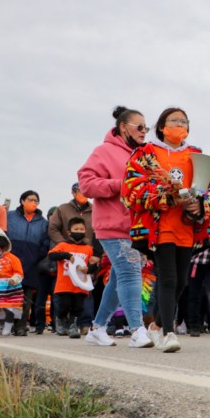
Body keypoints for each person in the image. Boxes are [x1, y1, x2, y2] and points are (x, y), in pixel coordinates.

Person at [122, 106, 210, 353]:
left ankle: (155, 325)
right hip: (159, 227)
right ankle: (168, 332)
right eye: (174, 120)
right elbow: (131, 190)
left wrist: (201, 205)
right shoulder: (146, 153)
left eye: (184, 121)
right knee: (168, 278)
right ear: (161, 127)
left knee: (181, 282)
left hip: (187, 228)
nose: (180, 125)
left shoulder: (195, 154)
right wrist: (167, 198)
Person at [78, 106, 154, 349]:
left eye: (146, 128)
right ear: (124, 127)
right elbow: (86, 183)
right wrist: (122, 185)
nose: (144, 132)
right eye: (139, 127)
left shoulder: (143, 154)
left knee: (120, 277)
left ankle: (97, 328)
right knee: (130, 273)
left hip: (137, 227)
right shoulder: (104, 151)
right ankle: (137, 330)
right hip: (112, 225)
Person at [5, 190, 50, 335]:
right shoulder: (9, 216)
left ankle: (21, 325)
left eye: (36, 201)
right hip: (10, 261)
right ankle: (7, 324)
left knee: (26, 296)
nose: (33, 203)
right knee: (8, 294)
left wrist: (37, 256)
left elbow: (45, 243)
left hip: (32, 263)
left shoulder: (43, 222)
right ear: (22, 201)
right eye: (30, 199)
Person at [48, 217, 99, 339]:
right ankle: (61, 320)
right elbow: (51, 255)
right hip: (64, 283)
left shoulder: (88, 248)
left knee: (78, 307)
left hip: (80, 284)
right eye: (76, 229)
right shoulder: (63, 245)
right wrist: (67, 255)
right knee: (64, 305)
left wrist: (89, 269)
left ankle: (73, 326)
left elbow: (94, 266)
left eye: (81, 229)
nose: (79, 231)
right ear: (69, 231)